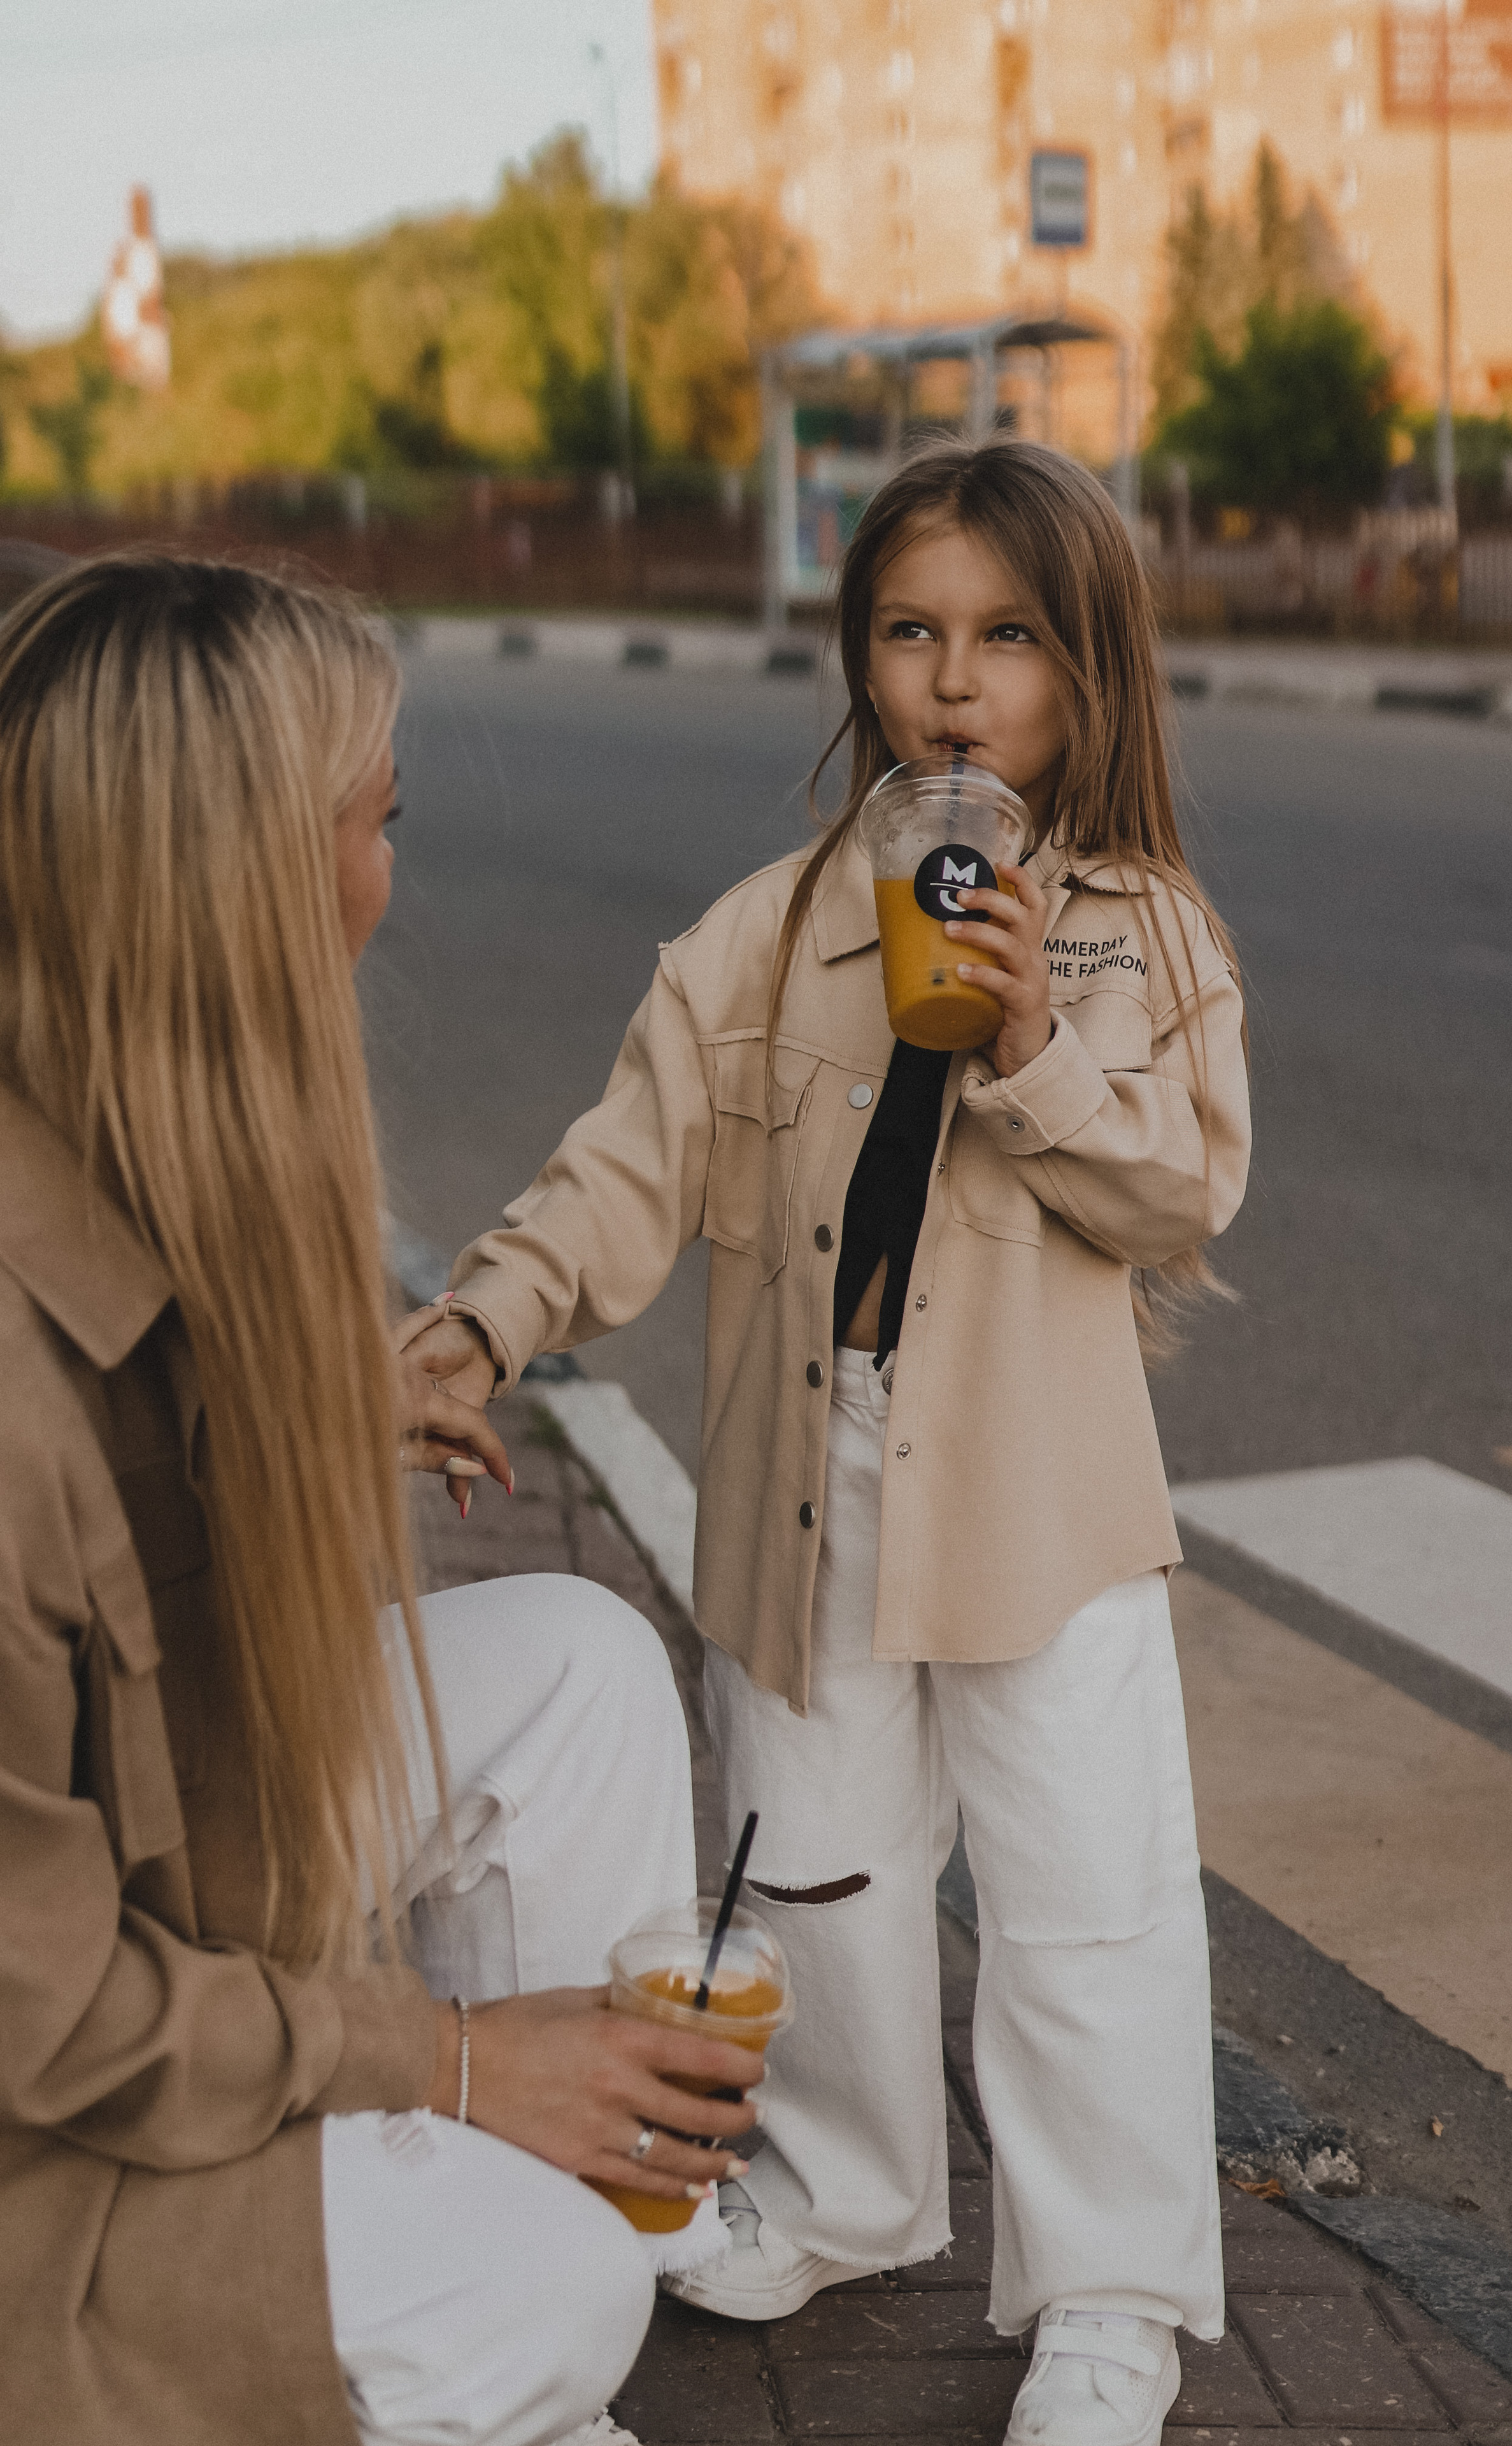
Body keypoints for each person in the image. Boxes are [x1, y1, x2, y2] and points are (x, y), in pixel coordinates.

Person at [402, 440, 1252, 2446]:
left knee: (1085, 1892)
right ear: (859, 660)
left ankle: (1112, 2292)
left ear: (1088, 673)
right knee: (822, 1869)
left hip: (1038, 1501)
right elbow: (624, 1165)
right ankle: (847, 2194)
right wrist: (485, 1321)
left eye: (1008, 640)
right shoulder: (772, 933)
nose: (956, 686)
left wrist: (1036, 1040)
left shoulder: (1136, 931)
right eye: (910, 634)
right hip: (817, 1468)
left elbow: (1185, 1194)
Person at [0, 554, 763, 2446]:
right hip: (44, 2155)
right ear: (240, 889)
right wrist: (435, 2057)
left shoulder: (119, 1146)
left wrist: (315, 1426)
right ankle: (513, 2301)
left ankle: (518, 2307)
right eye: (375, 824)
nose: (386, 884)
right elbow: (39, 2010)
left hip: (153, 1913)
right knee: (560, 2286)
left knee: (586, 1668)